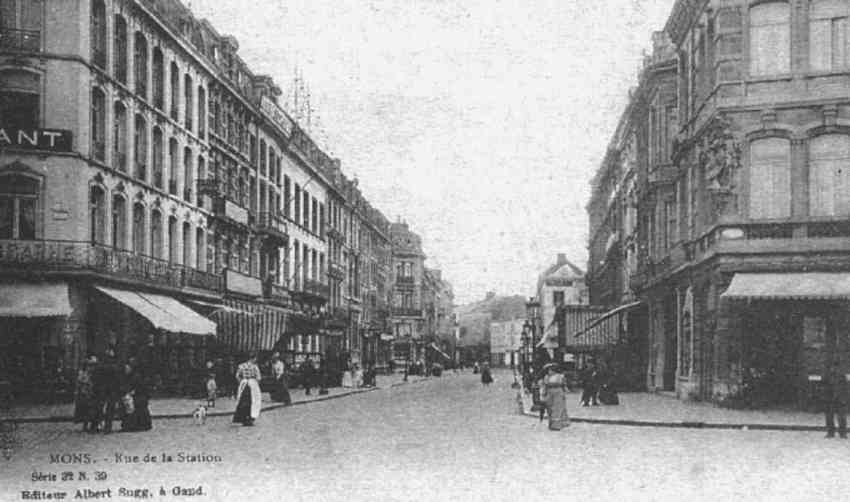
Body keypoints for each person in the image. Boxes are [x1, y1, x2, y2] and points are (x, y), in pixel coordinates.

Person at [93, 347, 122, 433]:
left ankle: (96, 426)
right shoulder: (114, 366)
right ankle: (107, 427)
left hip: (102, 389)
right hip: (111, 389)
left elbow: (95, 377)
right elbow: (118, 378)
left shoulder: (100, 365)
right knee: (109, 408)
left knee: (100, 408)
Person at [120, 362, 152, 432]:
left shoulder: (136, 377)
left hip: (139, 396)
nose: (126, 370)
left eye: (127, 369)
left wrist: (133, 392)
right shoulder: (128, 377)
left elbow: (140, 387)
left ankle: (138, 425)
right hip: (135, 396)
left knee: (137, 407)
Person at [232, 353, 262, 426]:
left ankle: (242, 418)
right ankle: (250, 418)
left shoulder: (241, 366)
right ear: (253, 358)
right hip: (252, 384)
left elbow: (237, 376)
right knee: (254, 401)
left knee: (243, 401)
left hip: (244, 384)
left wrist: (241, 382)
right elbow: (258, 377)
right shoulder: (255, 367)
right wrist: (256, 383)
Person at [540, 363, 570, 430]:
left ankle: (556, 425)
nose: (549, 371)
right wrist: (543, 394)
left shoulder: (560, 376)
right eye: (548, 370)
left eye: (551, 370)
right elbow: (545, 386)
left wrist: (564, 392)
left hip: (558, 392)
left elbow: (564, 385)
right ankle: (551, 424)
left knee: (557, 408)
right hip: (549, 393)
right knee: (549, 408)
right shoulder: (546, 377)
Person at [824, 358, 848, 439]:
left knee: (841, 417)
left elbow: (845, 388)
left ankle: (842, 433)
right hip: (831, 398)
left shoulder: (841, 376)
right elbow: (824, 387)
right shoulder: (828, 375)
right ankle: (832, 432)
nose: (834, 369)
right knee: (830, 417)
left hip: (839, 398)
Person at [73, 356, 99, 433]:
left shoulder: (94, 373)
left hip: (91, 393)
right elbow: (80, 383)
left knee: (92, 410)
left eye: (93, 365)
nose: (91, 367)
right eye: (90, 365)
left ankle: (93, 425)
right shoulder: (82, 373)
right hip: (84, 393)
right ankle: (85, 425)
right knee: (85, 410)